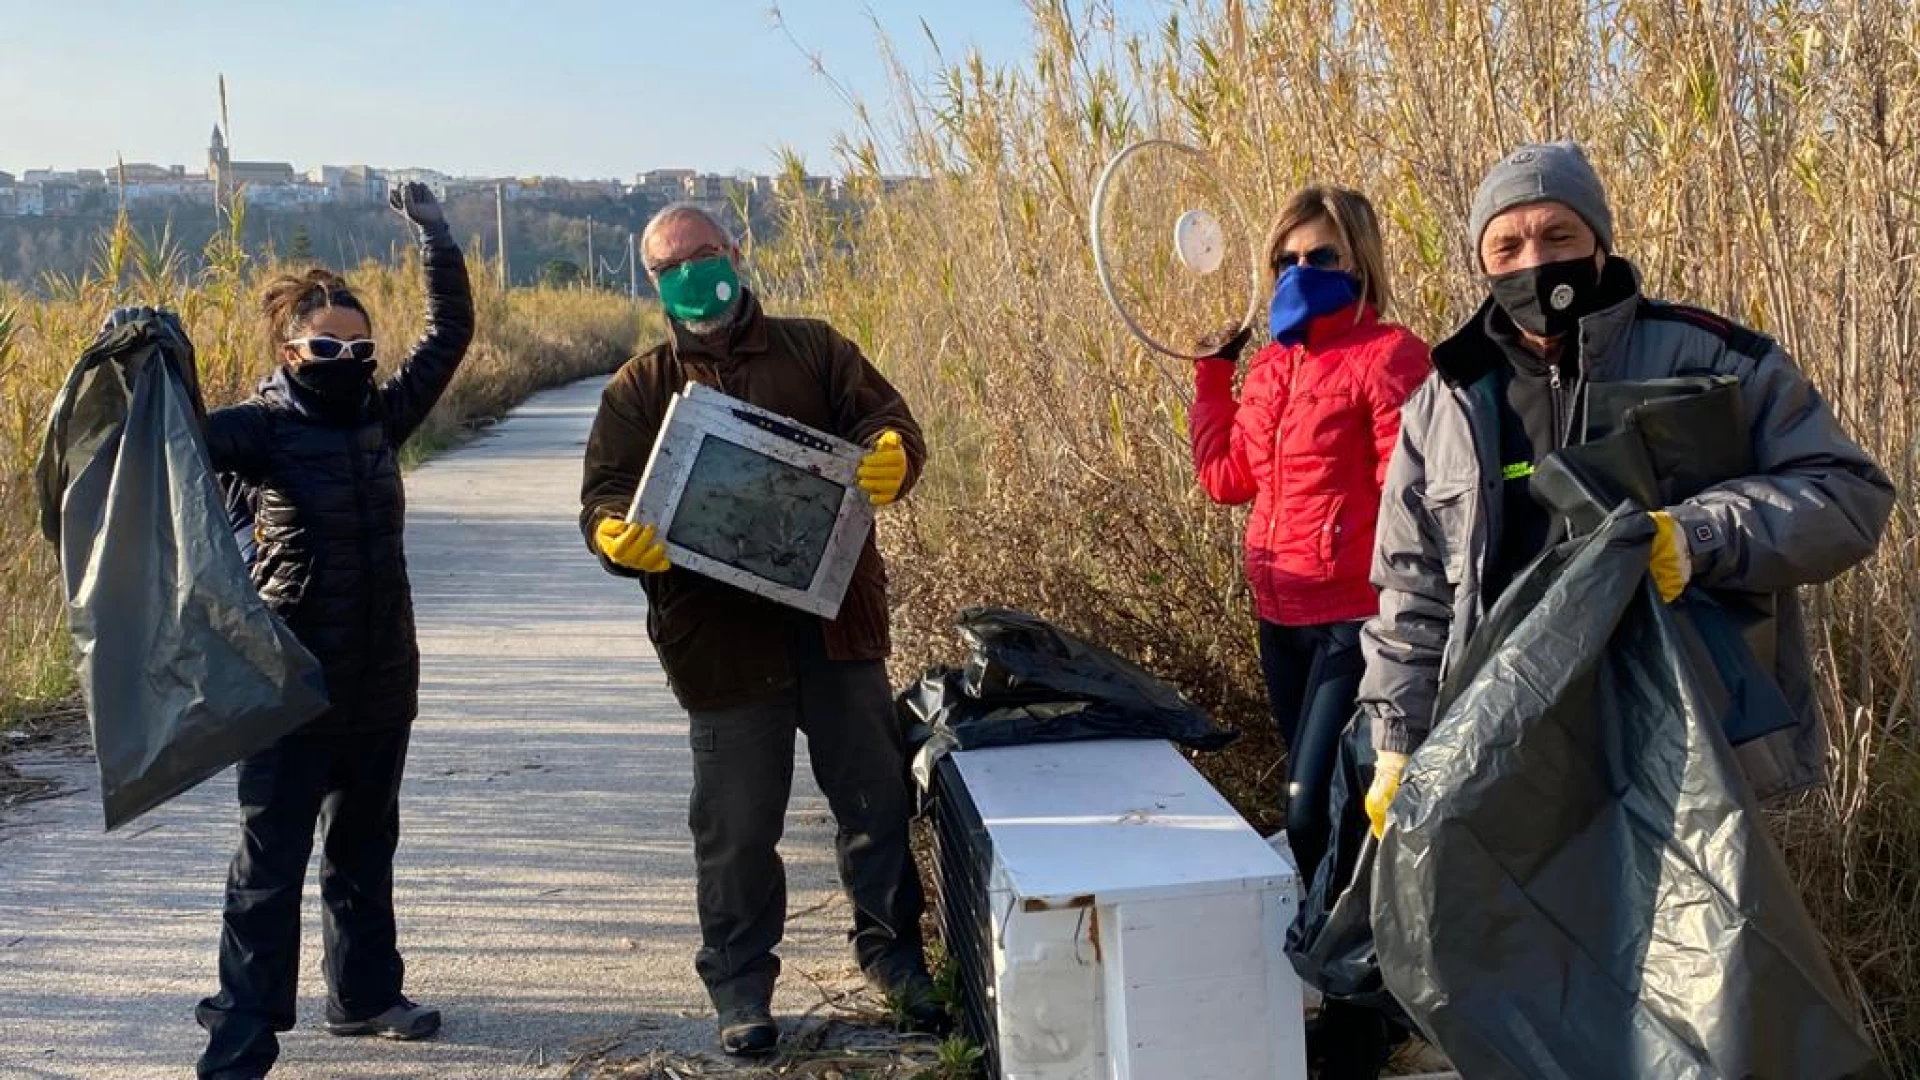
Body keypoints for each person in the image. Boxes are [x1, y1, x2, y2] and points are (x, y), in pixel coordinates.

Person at [1360, 141, 1894, 833]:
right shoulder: (1447, 402)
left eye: (1560, 235)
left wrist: (1698, 534)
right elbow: (1413, 588)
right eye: (1507, 246)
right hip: (1505, 748)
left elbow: (1849, 495)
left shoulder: (1718, 360)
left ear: (1601, 243)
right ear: (1482, 263)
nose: (1535, 262)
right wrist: (1398, 742)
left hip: (1688, 749)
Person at [105, 182, 474, 1080]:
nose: (346, 356)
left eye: (359, 344)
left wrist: (435, 238)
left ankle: (364, 994)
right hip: (289, 686)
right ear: (287, 348)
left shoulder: (385, 420)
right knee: (268, 865)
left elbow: (451, 334)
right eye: (326, 345)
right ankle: (241, 1036)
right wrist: (145, 358)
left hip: (383, 679)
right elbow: (170, 439)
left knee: (364, 846)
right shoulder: (260, 431)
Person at [578, 203, 937, 1057]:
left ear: (734, 254)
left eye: (702, 255)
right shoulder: (640, 388)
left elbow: (893, 426)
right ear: (655, 282)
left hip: (838, 626)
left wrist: (892, 451)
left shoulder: (815, 348)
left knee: (873, 803)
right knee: (737, 828)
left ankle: (897, 963)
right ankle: (741, 989)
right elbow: (603, 496)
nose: (691, 275)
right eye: (671, 267)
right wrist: (613, 538)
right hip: (721, 648)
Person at [1190, 185, 1429, 1080]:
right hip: (1279, 615)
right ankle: (1359, 993)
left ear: (1359, 262)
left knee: (1314, 813)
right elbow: (1226, 478)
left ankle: (1362, 1016)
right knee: (1320, 822)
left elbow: (1414, 502)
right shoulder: (1276, 367)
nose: (1301, 272)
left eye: (1320, 258)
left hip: (1353, 623)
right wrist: (1215, 375)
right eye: (1287, 260)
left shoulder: (1390, 357)